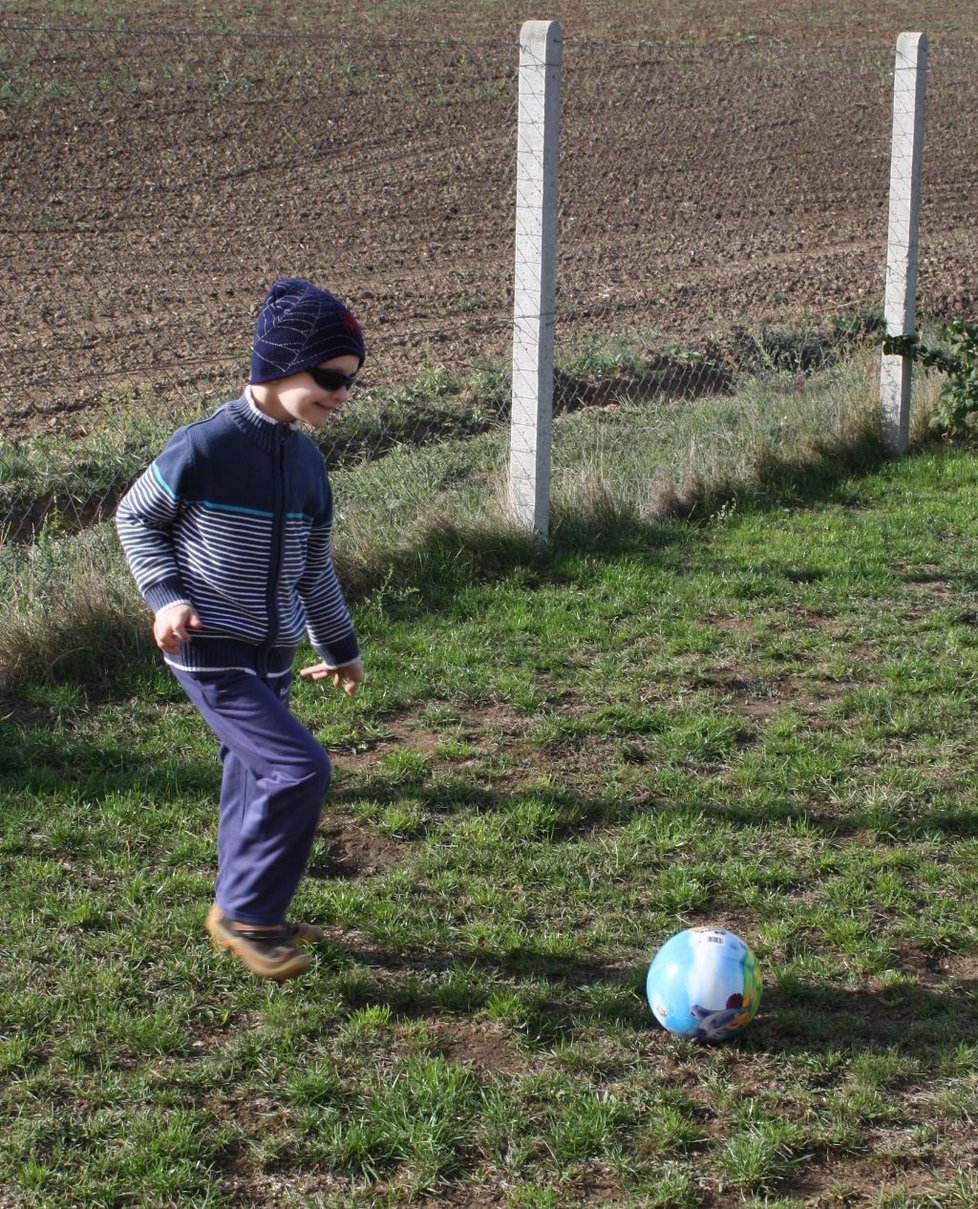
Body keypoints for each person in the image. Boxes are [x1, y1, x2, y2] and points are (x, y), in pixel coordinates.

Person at [116, 277, 366, 981]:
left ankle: (238, 900)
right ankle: (250, 914)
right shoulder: (206, 446)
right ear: (278, 362)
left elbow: (316, 568)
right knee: (299, 767)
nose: (341, 394)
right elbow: (136, 517)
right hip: (210, 652)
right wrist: (164, 598)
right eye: (328, 376)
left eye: (350, 382)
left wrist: (338, 646)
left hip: (274, 654)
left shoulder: (311, 464)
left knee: (255, 771)